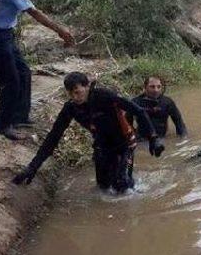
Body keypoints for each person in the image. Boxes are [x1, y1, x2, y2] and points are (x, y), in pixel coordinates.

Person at [12, 72, 163, 193]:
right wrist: (33, 167)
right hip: (102, 146)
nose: (75, 97)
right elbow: (53, 138)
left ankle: (135, 194)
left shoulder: (104, 96)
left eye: (77, 92)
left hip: (125, 144)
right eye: (71, 94)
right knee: (103, 188)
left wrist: (153, 138)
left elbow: (138, 111)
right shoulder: (71, 108)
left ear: (87, 87)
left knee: (122, 185)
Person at [0, 0, 75, 141]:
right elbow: (32, 12)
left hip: (5, 33)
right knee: (10, 80)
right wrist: (60, 30)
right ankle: (2, 124)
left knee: (24, 72)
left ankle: (19, 116)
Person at [130, 76, 188, 157]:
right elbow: (127, 124)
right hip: (141, 140)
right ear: (145, 87)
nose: (156, 90)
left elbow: (179, 124)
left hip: (162, 138)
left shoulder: (167, 102)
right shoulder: (135, 102)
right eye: (152, 87)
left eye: (158, 87)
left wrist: (183, 143)